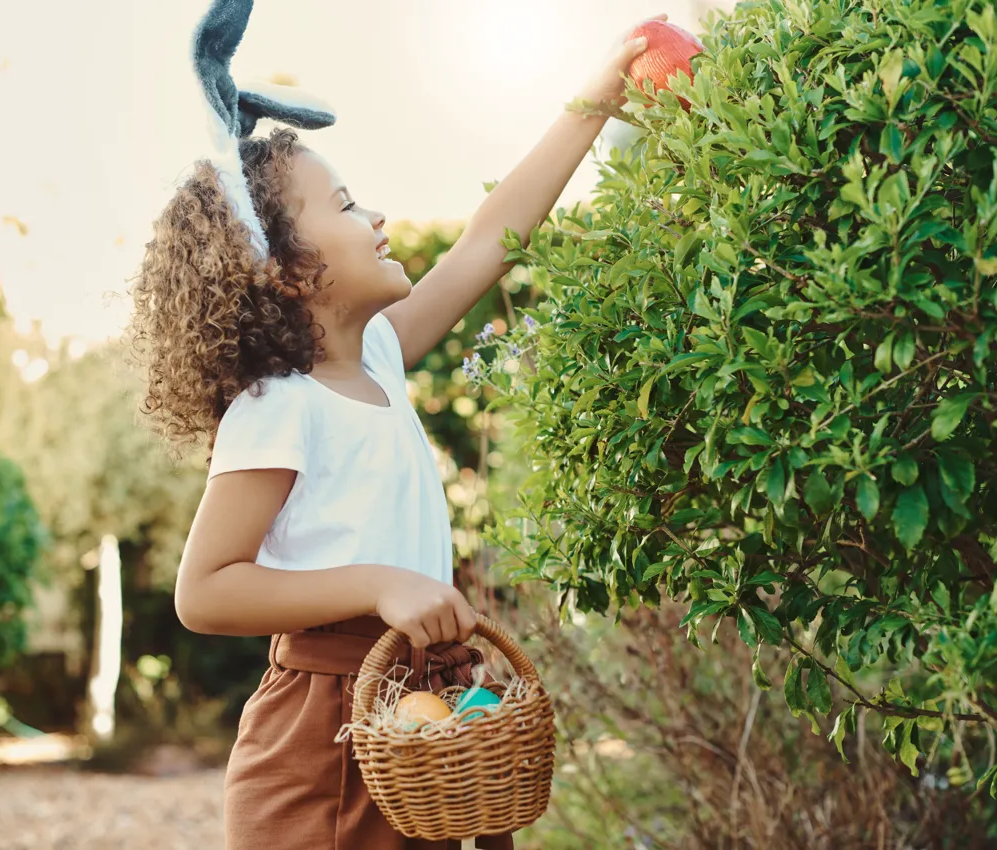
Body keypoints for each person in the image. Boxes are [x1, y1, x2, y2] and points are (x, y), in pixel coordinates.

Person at [129, 4, 664, 846]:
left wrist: (593, 102)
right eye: (346, 206)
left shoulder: (376, 357)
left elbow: (487, 241)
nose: (375, 217)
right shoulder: (280, 405)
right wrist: (381, 583)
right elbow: (206, 590)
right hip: (325, 739)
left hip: (414, 711)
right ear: (288, 270)